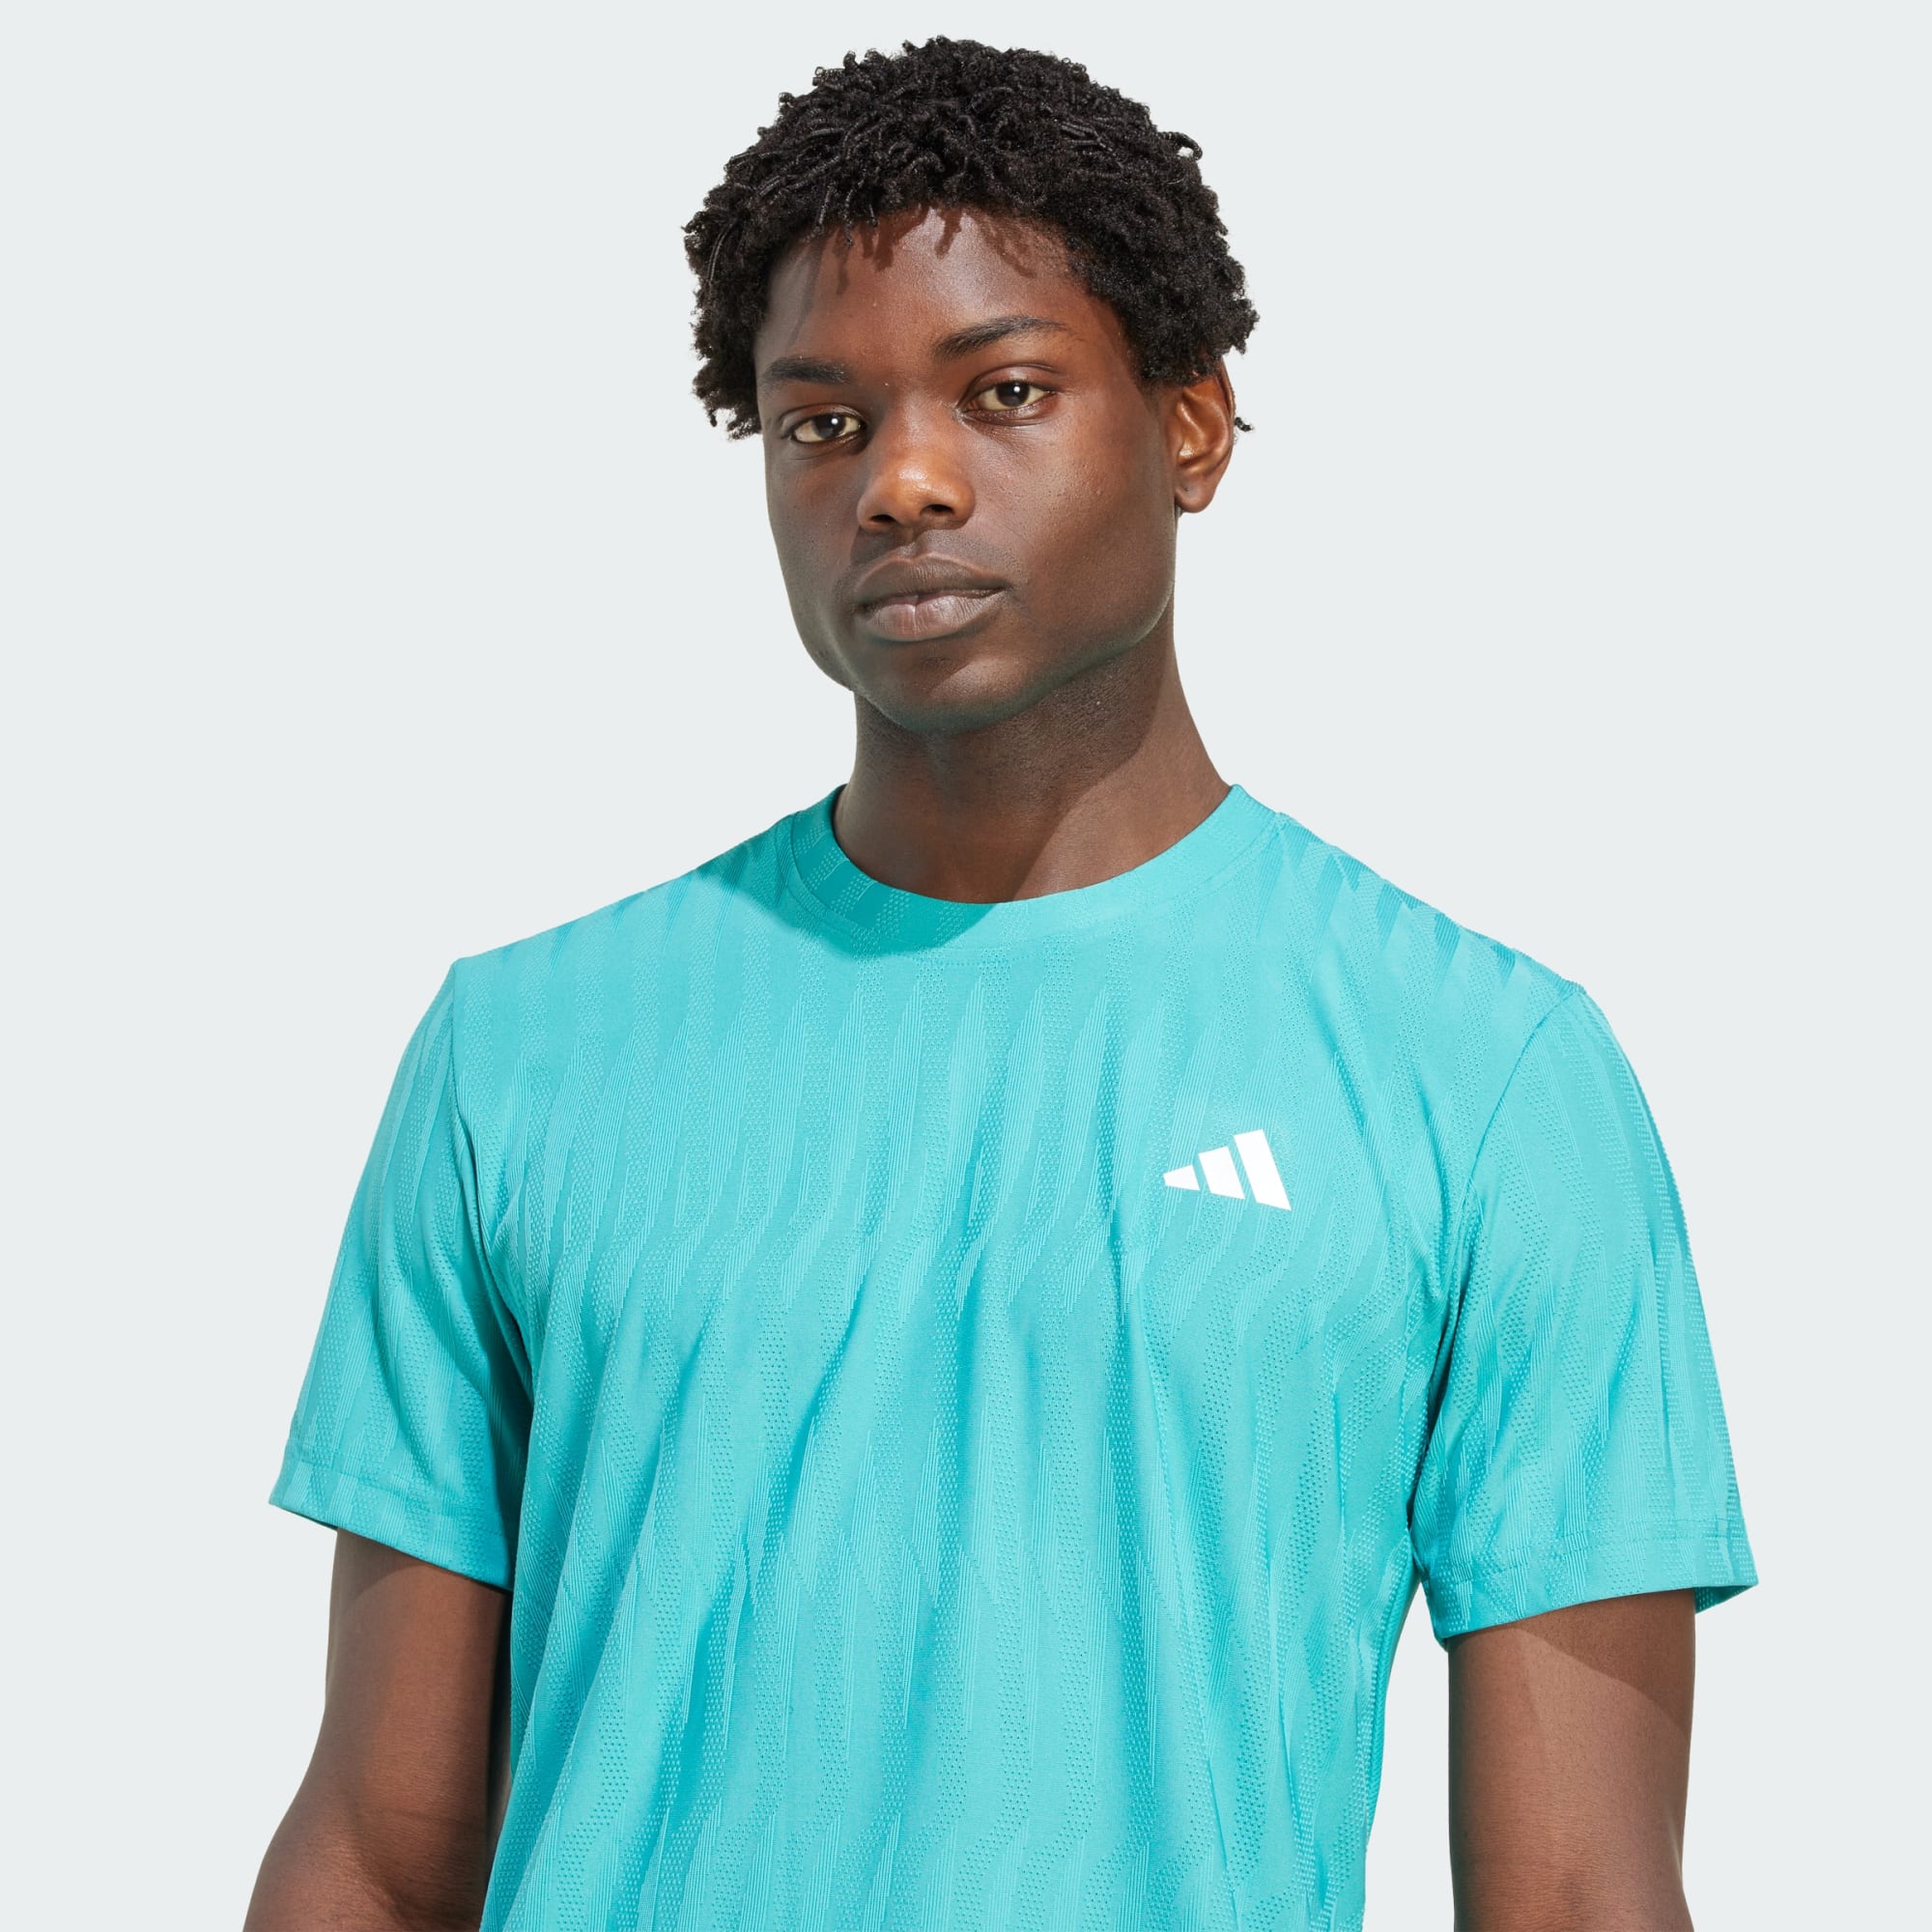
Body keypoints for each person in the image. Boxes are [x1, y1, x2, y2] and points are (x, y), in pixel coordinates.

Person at [246, 38, 1753, 1932]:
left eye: (1006, 391)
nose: (902, 482)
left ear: (1193, 428)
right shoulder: (519, 1055)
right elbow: (376, 1854)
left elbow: (1581, 1889)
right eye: (820, 422)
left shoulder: (1484, 1074)